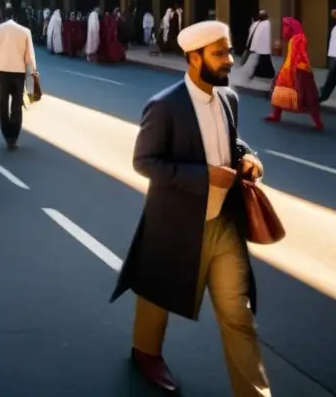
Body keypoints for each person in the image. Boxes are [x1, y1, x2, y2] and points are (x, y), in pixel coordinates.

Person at [111, 20, 271, 395]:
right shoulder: (164, 106)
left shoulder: (228, 98)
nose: (230, 60)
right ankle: (145, 353)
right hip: (176, 224)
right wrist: (203, 177)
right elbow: (144, 162)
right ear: (193, 58)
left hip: (224, 224)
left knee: (238, 315)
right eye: (220, 54)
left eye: (229, 51)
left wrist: (247, 157)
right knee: (158, 293)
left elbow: (230, 141)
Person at [0, 4, 37, 150]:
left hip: (2, 71)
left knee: (3, 103)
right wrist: (32, 74)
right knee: (17, 105)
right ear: (15, 16)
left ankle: (6, 134)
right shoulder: (25, 31)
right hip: (19, 71)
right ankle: (14, 137)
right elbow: (30, 56)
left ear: (2, 16)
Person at [264, 18, 323, 130]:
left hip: (299, 70)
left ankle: (317, 121)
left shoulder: (299, 38)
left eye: (287, 27)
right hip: (288, 69)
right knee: (278, 91)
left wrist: (298, 70)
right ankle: (275, 115)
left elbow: (301, 55)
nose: (285, 30)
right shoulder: (293, 39)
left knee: (308, 96)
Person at [243, 11, 276, 81]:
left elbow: (253, 35)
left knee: (261, 60)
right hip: (262, 47)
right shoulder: (265, 23)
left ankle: (257, 73)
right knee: (262, 60)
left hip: (259, 47)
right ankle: (259, 74)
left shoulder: (258, 24)